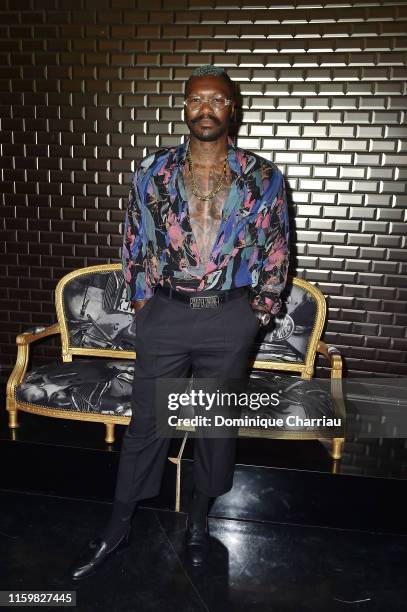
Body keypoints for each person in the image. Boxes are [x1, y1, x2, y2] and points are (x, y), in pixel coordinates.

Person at [69, 64, 290, 580]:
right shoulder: (154, 170)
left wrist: (257, 314)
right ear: (185, 108)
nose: (204, 109)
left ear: (232, 108)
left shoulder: (262, 177)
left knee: (215, 427)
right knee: (147, 424)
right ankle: (117, 526)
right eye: (195, 100)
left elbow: (276, 250)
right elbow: (133, 241)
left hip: (230, 317)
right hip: (165, 315)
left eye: (215, 100)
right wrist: (143, 304)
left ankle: (197, 522)